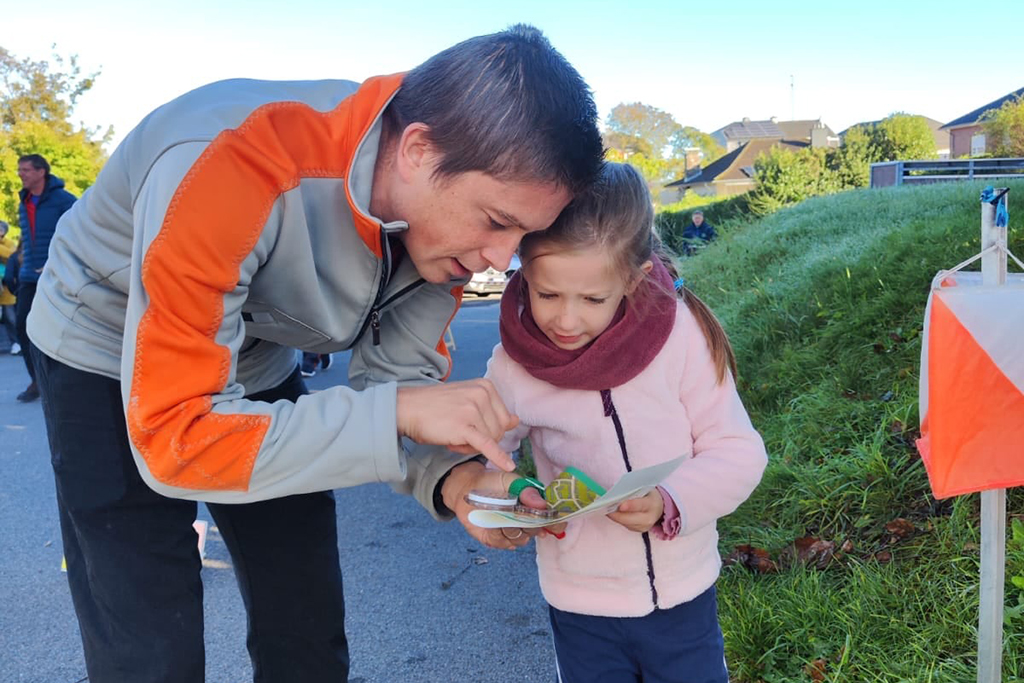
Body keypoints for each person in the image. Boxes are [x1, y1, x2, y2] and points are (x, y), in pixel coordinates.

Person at [27, 25, 603, 683]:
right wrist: (398, 413)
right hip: (99, 346)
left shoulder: (444, 230)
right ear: (417, 150)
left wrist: (460, 479)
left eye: (522, 237)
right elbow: (177, 439)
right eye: (497, 222)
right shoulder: (234, 162)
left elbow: (401, 381)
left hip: (250, 353)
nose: (499, 260)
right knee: (149, 638)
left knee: (303, 606)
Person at [483, 162, 767, 682]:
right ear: (521, 270)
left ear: (634, 280)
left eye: (592, 299)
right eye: (546, 294)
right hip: (580, 607)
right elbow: (479, 455)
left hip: (682, 598)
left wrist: (670, 500)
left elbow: (738, 450)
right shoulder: (514, 363)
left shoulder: (679, 337)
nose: (565, 321)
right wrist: (513, 493)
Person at [16, 154, 77, 401]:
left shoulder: (64, 200)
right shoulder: (24, 201)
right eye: (20, 169)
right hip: (29, 276)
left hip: (57, 274)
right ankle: (37, 381)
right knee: (23, 327)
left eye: (26, 169)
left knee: (63, 329)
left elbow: (78, 232)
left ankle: (67, 380)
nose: (20, 173)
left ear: (41, 172)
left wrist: (56, 262)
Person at [0, 221, 18, 354]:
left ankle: (16, 343)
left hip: (6, 286)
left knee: (10, 316)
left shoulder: (9, 244)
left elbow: (12, 255)